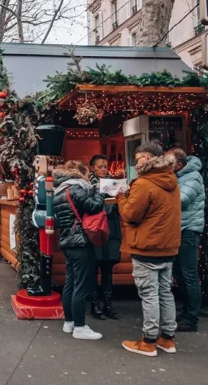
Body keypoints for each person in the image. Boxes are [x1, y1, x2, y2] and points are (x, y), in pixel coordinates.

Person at [116, 141, 181, 357]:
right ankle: (168, 338)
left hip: (147, 246)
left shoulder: (144, 183)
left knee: (149, 294)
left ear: (145, 159)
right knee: (165, 292)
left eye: (137, 159)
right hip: (168, 246)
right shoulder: (171, 179)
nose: (135, 163)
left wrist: (121, 198)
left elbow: (130, 214)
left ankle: (149, 341)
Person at [52, 160, 105, 340]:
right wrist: (100, 193)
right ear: (80, 172)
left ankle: (70, 322)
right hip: (80, 240)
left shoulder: (60, 189)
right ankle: (80, 327)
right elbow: (94, 206)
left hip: (68, 239)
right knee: (81, 284)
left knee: (70, 282)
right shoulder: (76, 188)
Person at [167, 148, 204, 333]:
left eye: (169, 164)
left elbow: (180, 200)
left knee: (189, 275)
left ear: (179, 165)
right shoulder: (179, 176)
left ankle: (191, 318)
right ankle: (185, 311)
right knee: (180, 273)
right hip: (178, 229)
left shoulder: (193, 177)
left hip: (188, 230)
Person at [88, 154, 121, 320]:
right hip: (96, 229)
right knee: (94, 267)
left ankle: (108, 303)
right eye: (99, 166)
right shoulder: (88, 184)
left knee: (108, 269)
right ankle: (94, 303)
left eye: (105, 166)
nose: (103, 169)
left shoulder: (115, 184)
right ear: (92, 168)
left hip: (112, 229)